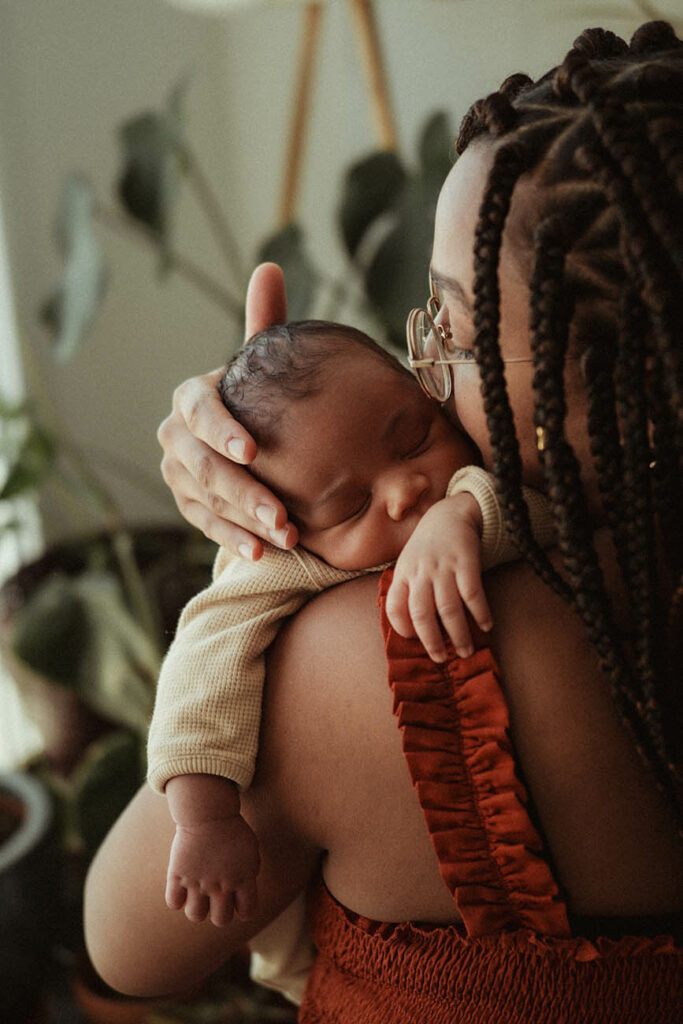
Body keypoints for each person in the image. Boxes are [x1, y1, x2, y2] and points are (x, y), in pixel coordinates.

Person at [85, 21, 683, 1022]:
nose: (423, 362)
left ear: (627, 385)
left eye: (449, 326)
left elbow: (126, 947)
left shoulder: (368, 663)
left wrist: (254, 554)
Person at [147, 319, 555, 1002]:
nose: (404, 491)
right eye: (351, 505)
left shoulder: (468, 485)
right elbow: (201, 666)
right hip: (275, 870)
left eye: (415, 437)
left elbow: (537, 512)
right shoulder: (278, 568)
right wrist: (203, 818)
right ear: (282, 525)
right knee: (280, 953)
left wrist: (462, 515)